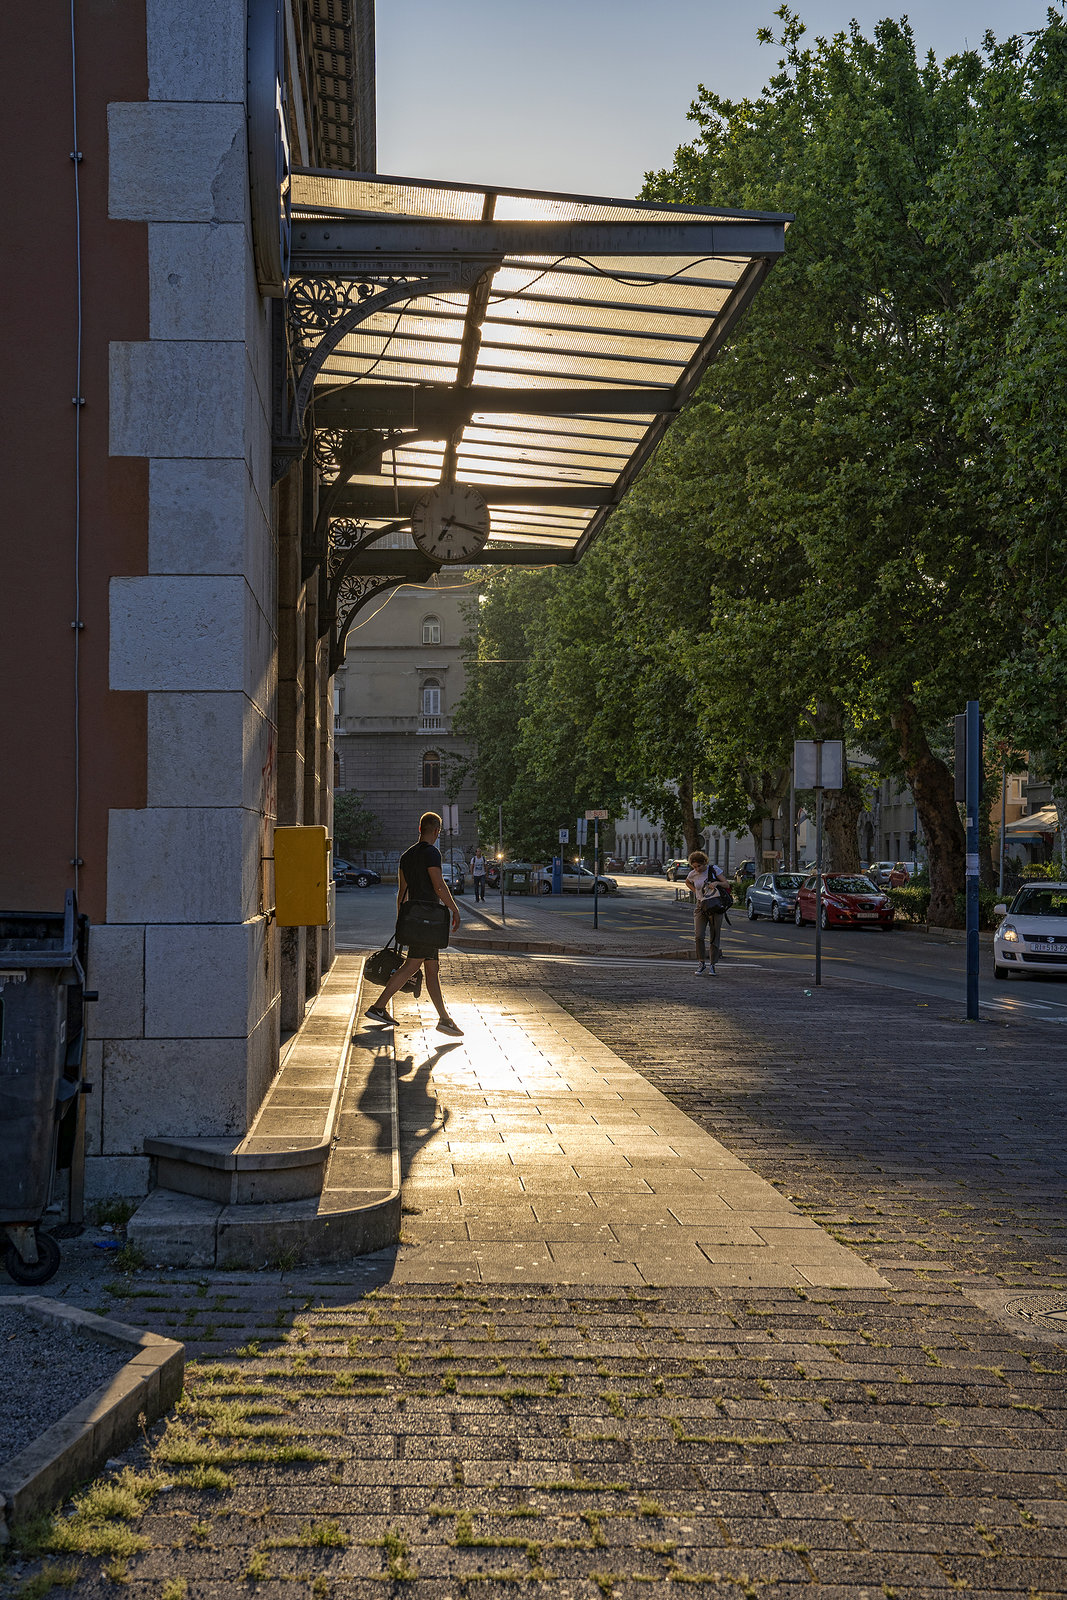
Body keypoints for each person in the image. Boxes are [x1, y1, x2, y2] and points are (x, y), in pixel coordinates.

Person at [367, 812, 463, 1034]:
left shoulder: (406, 856)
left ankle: (444, 1019)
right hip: (428, 921)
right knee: (411, 965)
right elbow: (438, 885)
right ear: (436, 831)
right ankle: (378, 1007)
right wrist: (454, 909)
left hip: (413, 918)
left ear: (420, 829)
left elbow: (402, 892)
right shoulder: (432, 853)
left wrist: (401, 920)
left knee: (431, 969)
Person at [685, 849, 728, 975]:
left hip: (714, 905)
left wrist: (716, 882)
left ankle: (713, 965)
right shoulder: (693, 874)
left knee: (714, 935)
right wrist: (695, 891)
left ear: (705, 862)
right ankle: (701, 962)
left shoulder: (714, 869)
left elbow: (726, 884)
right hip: (700, 906)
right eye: (694, 866)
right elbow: (687, 882)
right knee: (699, 935)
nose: (697, 869)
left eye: (699, 866)